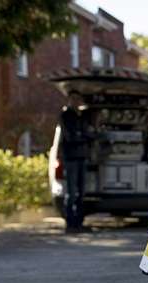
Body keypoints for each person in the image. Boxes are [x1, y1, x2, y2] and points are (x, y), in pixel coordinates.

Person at [60, 91, 91, 233]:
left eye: (78, 99)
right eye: (73, 99)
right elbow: (70, 136)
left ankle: (79, 222)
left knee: (81, 192)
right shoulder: (66, 116)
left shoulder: (83, 116)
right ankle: (70, 223)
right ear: (69, 100)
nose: (76, 102)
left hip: (82, 157)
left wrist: (83, 135)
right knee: (72, 192)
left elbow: (88, 133)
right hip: (71, 158)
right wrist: (82, 136)